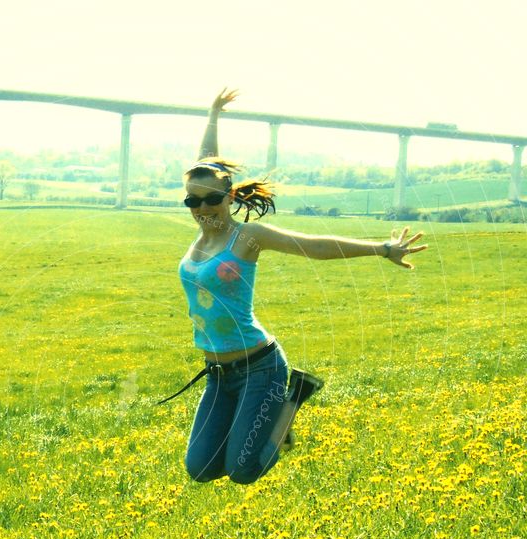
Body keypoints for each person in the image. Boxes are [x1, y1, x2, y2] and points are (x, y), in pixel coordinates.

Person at [158, 88, 428, 485]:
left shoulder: (247, 238)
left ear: (229, 197)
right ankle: (251, 425)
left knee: (243, 471)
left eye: (210, 200)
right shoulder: (202, 235)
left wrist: (382, 248)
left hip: (259, 367)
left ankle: (291, 401)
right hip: (217, 374)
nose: (200, 209)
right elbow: (205, 165)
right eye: (191, 202)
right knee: (200, 469)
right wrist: (213, 113)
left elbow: (313, 246)